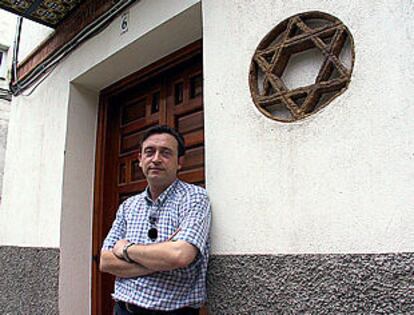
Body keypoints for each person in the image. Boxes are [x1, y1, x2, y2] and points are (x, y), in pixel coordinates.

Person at [100, 125, 211, 315]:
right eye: (149, 152)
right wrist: (161, 259)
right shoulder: (128, 206)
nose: (156, 159)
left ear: (179, 162)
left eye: (166, 153)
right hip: (123, 309)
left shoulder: (195, 198)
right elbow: (105, 261)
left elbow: (179, 255)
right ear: (140, 159)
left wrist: (126, 249)